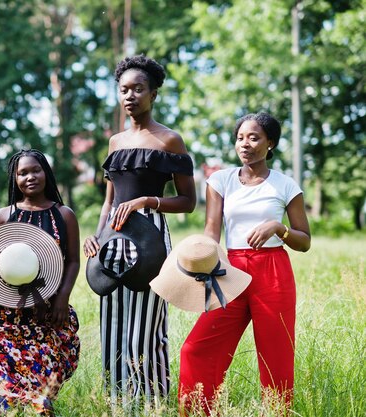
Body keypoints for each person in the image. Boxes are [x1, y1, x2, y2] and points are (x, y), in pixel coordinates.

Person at [178, 112, 311, 415]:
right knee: (196, 349)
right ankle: (199, 412)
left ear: (270, 143)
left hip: (273, 271)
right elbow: (212, 230)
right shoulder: (220, 180)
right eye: (240, 137)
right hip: (230, 270)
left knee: (275, 357)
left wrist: (279, 228)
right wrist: (202, 263)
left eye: (254, 137)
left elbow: (304, 241)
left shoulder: (285, 185)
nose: (245, 144)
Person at [83, 55, 196, 407]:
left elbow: (188, 201)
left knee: (143, 333)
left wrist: (148, 200)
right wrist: (97, 237)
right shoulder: (115, 142)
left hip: (151, 238)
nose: (130, 95)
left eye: (138, 89)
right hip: (113, 239)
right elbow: (109, 201)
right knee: (113, 329)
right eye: (124, 90)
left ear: (154, 93)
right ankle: (118, 406)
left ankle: (153, 406)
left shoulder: (169, 141)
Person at [0, 149, 81, 416]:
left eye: (36, 170)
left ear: (46, 172)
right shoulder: (3, 216)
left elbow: (72, 261)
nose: (30, 177)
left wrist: (62, 299)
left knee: (41, 394)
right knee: (1, 384)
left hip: (49, 312)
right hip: (6, 313)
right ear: (15, 179)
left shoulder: (64, 214)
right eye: (22, 173)